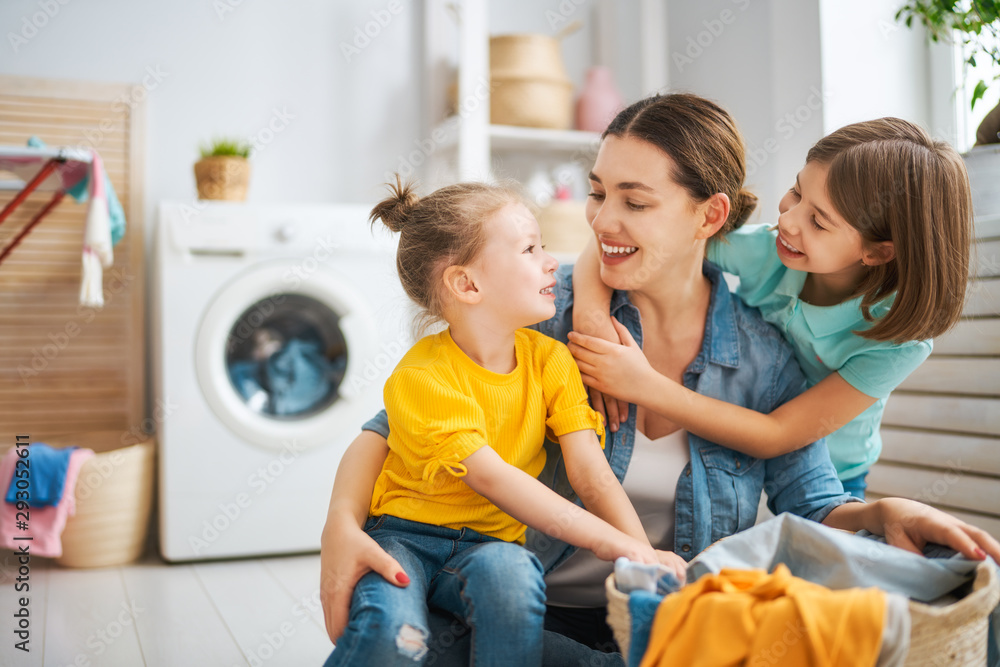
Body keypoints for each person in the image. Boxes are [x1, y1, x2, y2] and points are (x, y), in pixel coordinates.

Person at [320, 95, 1000, 666]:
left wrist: (883, 511)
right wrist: (342, 527)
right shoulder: (537, 314)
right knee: (402, 638)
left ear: (710, 216)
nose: (601, 220)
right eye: (596, 192)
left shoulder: (765, 360)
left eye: (635, 202)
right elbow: (393, 427)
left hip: (656, 629)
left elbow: (814, 505)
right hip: (514, 615)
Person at [325, 177, 678, 667]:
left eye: (544, 246)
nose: (551, 260)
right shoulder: (420, 377)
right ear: (467, 284)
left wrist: (640, 558)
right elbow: (493, 477)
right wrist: (609, 541)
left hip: (491, 548)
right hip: (404, 537)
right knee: (394, 635)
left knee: (512, 583)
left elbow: (591, 472)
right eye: (530, 249)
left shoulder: (550, 361)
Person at [569, 117, 972, 499]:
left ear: (877, 251)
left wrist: (644, 385)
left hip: (831, 470)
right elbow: (621, 239)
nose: (789, 221)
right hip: (736, 446)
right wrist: (592, 319)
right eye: (797, 192)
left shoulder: (899, 342)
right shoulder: (766, 249)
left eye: (818, 221)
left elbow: (776, 435)